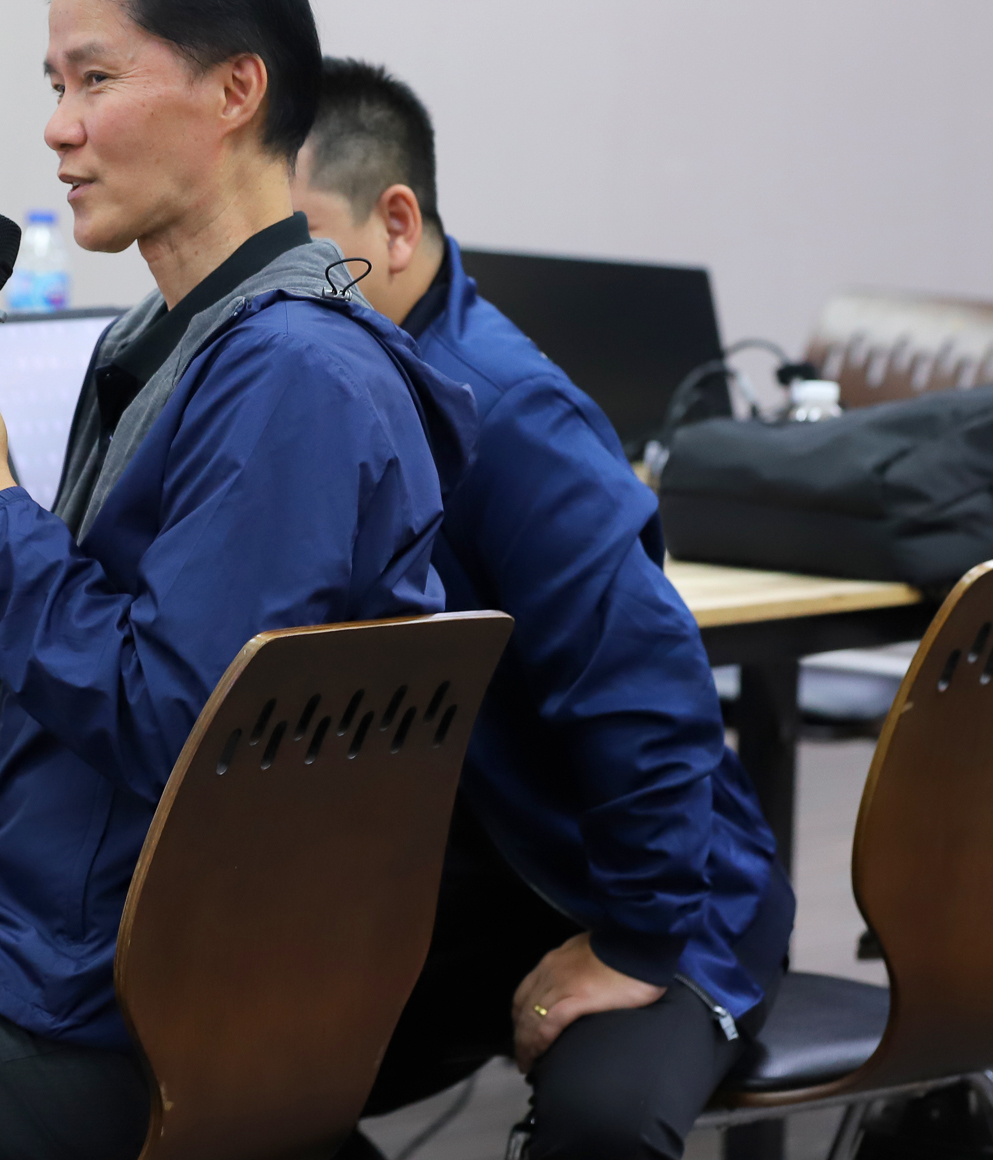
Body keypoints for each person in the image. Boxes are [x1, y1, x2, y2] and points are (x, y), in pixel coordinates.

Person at [0, 0, 472, 1160]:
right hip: (53, 931)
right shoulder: (172, 341)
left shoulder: (293, 380)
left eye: (96, 80)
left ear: (236, 91)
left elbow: (169, 724)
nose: (58, 126)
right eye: (54, 85)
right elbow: (52, 663)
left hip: (106, 990)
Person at [290, 58, 791, 1160]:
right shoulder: (326, 385)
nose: (266, 283)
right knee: (218, 1071)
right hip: (477, 880)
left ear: (396, 225)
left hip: (654, 886)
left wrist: (635, 941)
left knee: (602, 1126)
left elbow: (648, 695)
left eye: (297, 242)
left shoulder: (510, 415)